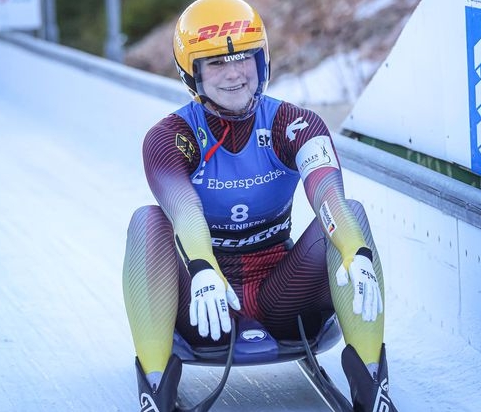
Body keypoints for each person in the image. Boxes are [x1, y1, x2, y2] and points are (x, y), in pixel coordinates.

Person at [122, 0, 399, 411]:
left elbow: (328, 194)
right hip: (202, 303)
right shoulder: (169, 137)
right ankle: (156, 384)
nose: (234, 73)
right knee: (147, 221)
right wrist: (202, 268)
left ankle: (372, 383)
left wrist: (354, 252)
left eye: (243, 58)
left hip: (282, 298)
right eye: (216, 63)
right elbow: (182, 210)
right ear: (191, 73)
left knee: (351, 216)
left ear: (262, 60)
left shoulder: (295, 124)